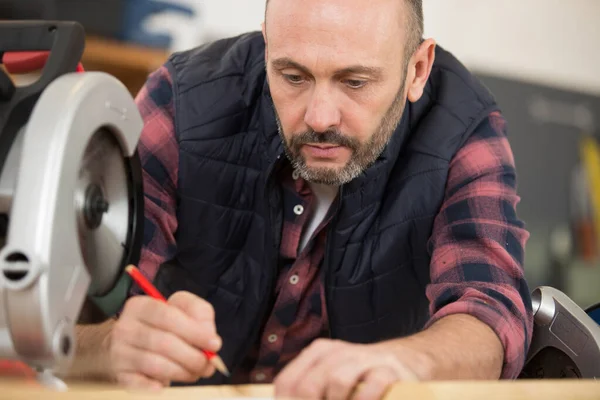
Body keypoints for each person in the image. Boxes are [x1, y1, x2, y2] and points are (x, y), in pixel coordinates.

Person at [70, 0, 534, 398]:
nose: (319, 116)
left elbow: (490, 311)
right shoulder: (183, 103)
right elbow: (49, 314)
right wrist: (108, 346)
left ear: (417, 70)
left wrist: (410, 363)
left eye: (355, 82)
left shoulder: (462, 130)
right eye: (293, 76)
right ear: (266, 46)